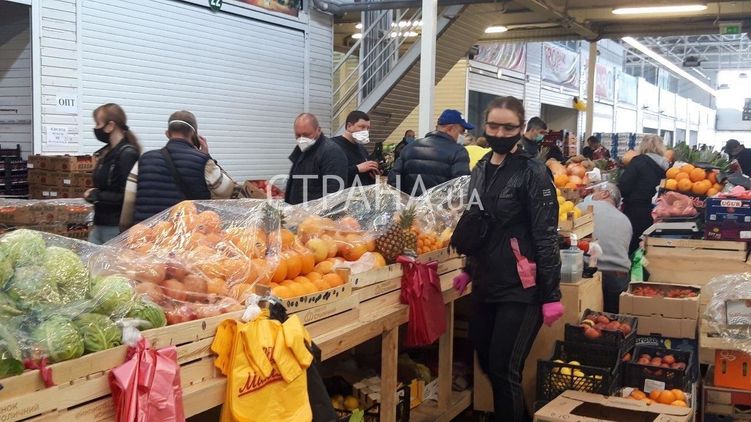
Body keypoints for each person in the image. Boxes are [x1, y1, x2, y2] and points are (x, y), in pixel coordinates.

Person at [457, 96, 563, 422]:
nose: (499, 133)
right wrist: (468, 269)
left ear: (520, 128)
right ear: (485, 125)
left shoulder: (533, 172)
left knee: (504, 368)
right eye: (493, 126)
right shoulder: (480, 169)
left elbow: (546, 235)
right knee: (486, 360)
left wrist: (551, 294)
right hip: (487, 281)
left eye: (508, 127)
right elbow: (477, 224)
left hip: (522, 286)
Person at [120, 111, 235, 229]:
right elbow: (228, 189)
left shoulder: (143, 160)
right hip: (188, 236)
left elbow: (129, 201)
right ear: (194, 135)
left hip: (148, 236)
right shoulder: (204, 162)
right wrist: (208, 157)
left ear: (167, 133)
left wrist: (125, 230)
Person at [85, 103, 141, 244]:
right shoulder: (105, 154)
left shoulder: (127, 155)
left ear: (110, 126)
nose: (96, 128)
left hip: (115, 227)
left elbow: (127, 195)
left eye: (98, 123)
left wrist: (96, 195)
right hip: (100, 223)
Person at [388, 110, 471, 196]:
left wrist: (405, 201)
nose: (462, 135)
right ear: (451, 128)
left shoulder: (409, 148)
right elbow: (460, 188)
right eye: (462, 131)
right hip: (441, 204)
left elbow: (393, 181)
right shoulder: (458, 152)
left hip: (411, 203)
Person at [578, 183, 632, 313]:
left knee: (587, 319)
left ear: (605, 193)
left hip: (590, 275)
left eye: (594, 192)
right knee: (611, 320)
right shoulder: (625, 220)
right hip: (618, 278)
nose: (591, 195)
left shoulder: (583, 208)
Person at [618, 134, 669, 256]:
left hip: (636, 212)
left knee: (634, 247)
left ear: (642, 146)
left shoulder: (638, 161)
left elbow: (624, 186)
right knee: (650, 248)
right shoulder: (667, 166)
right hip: (659, 213)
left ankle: (634, 268)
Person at [285, 113, 348, 205]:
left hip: (314, 212)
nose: (302, 139)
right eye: (298, 135)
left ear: (318, 130)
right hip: (298, 210)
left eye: (306, 135)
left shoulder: (331, 152)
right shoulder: (301, 149)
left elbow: (333, 194)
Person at [331, 111, 380, 187]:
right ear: (349, 126)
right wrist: (357, 168)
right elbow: (331, 174)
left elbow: (363, 175)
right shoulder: (333, 146)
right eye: (362, 127)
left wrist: (373, 175)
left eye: (368, 128)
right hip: (343, 193)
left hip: (362, 192)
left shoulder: (362, 149)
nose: (366, 131)